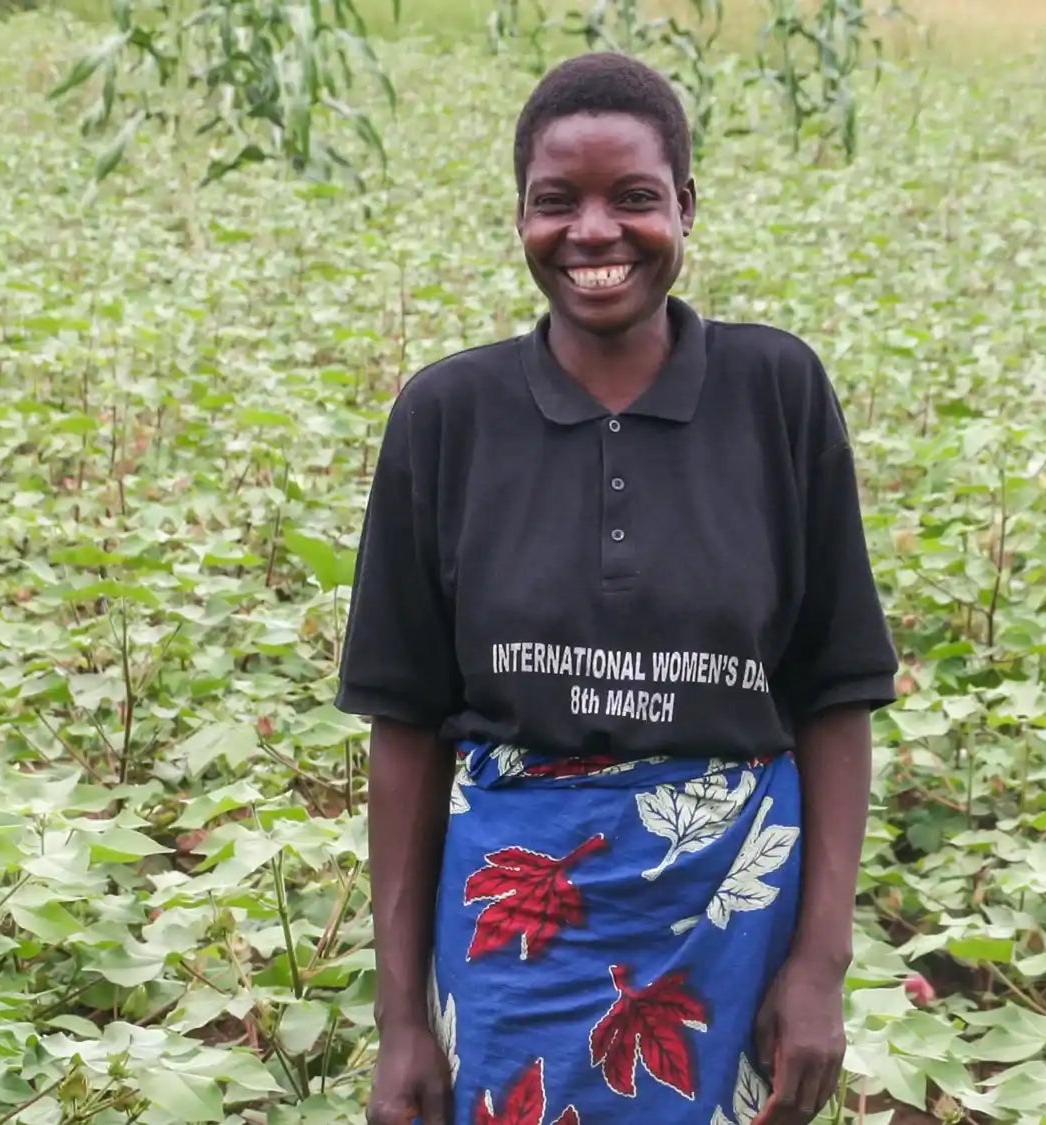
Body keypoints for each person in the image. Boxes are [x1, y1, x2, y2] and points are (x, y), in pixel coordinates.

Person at [335, 50, 900, 1125]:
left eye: (633, 198)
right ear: (519, 218)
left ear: (684, 206)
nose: (594, 233)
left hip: (730, 909)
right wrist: (400, 1017)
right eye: (558, 203)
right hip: (513, 922)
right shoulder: (446, 416)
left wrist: (817, 968)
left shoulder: (774, 392)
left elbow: (833, 694)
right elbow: (402, 725)